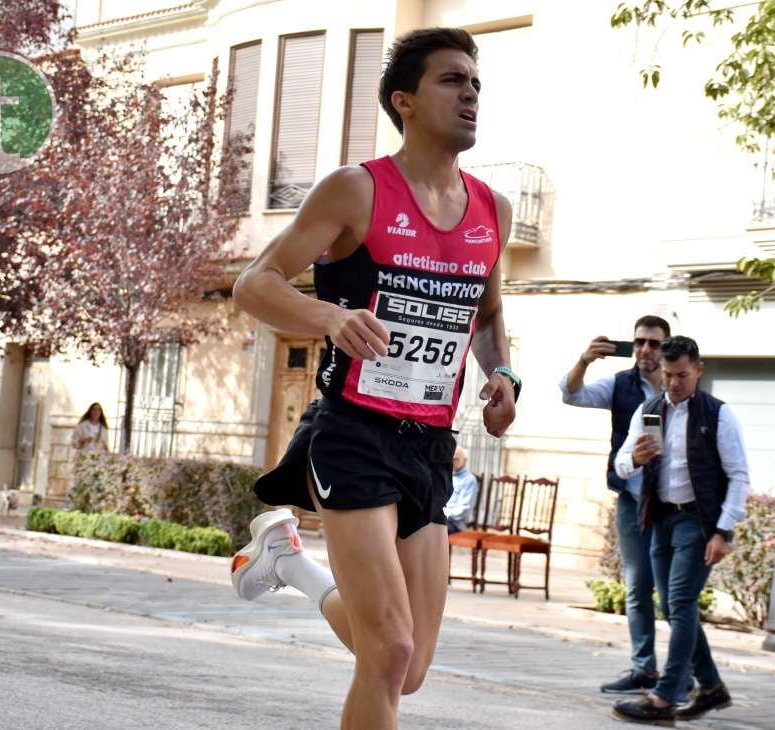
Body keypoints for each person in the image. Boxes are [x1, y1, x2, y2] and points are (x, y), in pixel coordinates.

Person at [226, 28, 518, 730]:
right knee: (387, 650)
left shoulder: (492, 210)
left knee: (407, 667)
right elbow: (253, 285)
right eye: (452, 80)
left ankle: (289, 564)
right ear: (404, 101)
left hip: (429, 446)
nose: (471, 93)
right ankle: (290, 558)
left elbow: (487, 313)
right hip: (353, 432)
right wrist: (328, 315)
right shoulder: (357, 190)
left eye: (475, 83)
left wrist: (502, 372)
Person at [610, 335, 751, 725]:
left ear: (698, 370)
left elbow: (739, 476)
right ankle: (711, 687)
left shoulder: (717, 415)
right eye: (668, 374)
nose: (674, 383)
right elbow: (622, 459)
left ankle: (666, 696)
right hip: (660, 519)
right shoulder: (650, 410)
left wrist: (724, 531)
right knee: (673, 608)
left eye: (682, 375)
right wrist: (632, 460)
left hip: (699, 522)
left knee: (680, 602)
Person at [560, 315, 670, 694]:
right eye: (639, 342)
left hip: (673, 502)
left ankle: (683, 674)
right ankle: (643, 668)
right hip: (632, 497)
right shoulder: (621, 384)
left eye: (654, 343)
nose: (645, 349)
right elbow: (572, 394)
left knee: (674, 594)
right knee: (637, 586)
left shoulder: (680, 384)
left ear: (666, 347)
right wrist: (585, 360)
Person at [444, 446, 478, 533]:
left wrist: (444, 514)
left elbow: (464, 509)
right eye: (451, 459)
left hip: (456, 523)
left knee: (432, 528)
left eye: (456, 459)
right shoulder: (446, 476)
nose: (452, 462)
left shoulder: (469, 479)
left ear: (465, 461)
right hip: (442, 518)